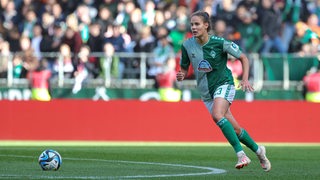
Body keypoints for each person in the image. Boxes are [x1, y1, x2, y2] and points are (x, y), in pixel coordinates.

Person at [176, 10, 271, 171]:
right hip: (206, 93)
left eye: (197, 24)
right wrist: (181, 74)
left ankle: (241, 154)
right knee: (235, 129)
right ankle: (259, 151)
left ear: (206, 25)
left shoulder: (220, 43)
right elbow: (184, 68)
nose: (193, 27)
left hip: (224, 84)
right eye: (192, 24)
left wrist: (245, 78)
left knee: (217, 115)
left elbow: (244, 57)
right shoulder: (187, 45)